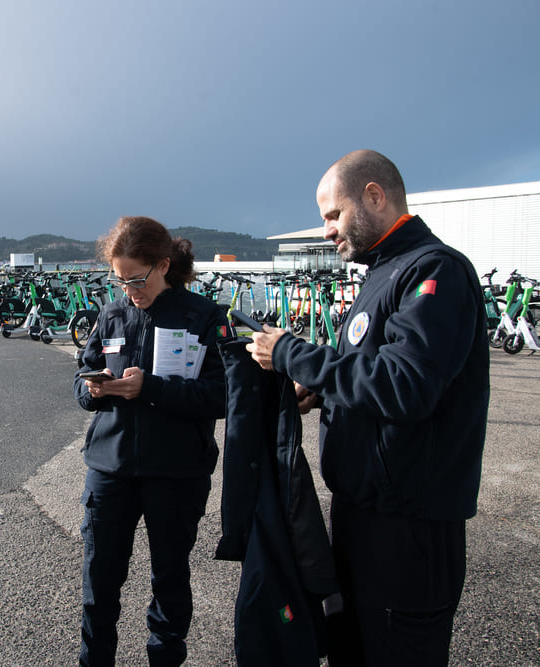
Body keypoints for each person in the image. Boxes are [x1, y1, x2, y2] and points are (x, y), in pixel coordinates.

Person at [247, 150, 490, 666]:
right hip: (363, 511)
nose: (328, 230)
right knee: (352, 647)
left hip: (410, 526)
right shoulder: (382, 272)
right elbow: (369, 370)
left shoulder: (434, 270)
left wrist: (292, 354)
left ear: (374, 196)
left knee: (397, 650)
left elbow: (406, 385)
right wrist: (322, 390)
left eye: (334, 214)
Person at [73, 216, 228, 667]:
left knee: (170, 580)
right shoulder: (112, 313)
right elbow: (80, 381)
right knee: (99, 583)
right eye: (120, 280)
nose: (129, 291)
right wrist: (93, 390)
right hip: (110, 467)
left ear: (163, 265)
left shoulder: (204, 316)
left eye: (137, 279)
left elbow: (222, 395)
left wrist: (152, 388)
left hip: (176, 471)